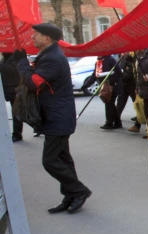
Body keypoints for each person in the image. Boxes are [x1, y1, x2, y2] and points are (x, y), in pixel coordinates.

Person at [15, 23, 91, 213]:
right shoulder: (50, 55)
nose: (33, 38)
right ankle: (70, 196)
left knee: (49, 161)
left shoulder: (52, 58)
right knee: (63, 159)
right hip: (57, 117)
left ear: (47, 38)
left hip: (58, 118)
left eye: (36, 35)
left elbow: (34, 83)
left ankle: (79, 191)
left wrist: (22, 64)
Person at [84, 55, 122, 129]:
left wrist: (110, 80)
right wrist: (86, 85)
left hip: (113, 85)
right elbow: (95, 75)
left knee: (109, 103)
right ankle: (117, 122)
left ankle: (109, 122)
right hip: (105, 86)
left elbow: (119, 72)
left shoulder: (110, 60)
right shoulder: (98, 62)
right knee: (109, 103)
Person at [0, 53, 22, 142]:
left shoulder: (15, 58)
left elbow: (12, 71)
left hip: (14, 89)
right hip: (6, 88)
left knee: (16, 113)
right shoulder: (4, 59)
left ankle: (17, 134)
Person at [115, 52, 137, 123]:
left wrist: (123, 77)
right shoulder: (121, 59)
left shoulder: (131, 59)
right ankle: (116, 116)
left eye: (125, 52)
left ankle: (139, 116)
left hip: (131, 84)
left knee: (135, 100)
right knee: (120, 101)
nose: (123, 53)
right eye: (122, 52)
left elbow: (130, 71)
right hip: (123, 84)